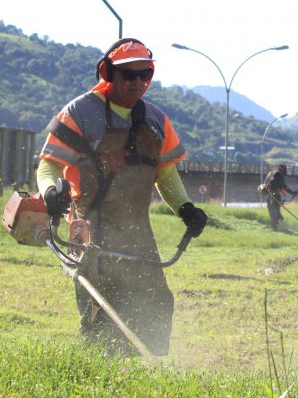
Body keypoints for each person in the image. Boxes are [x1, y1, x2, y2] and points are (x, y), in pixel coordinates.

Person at [37, 38, 207, 356]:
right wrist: (50, 191)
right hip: (91, 227)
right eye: (130, 75)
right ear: (109, 74)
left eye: (145, 74)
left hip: (137, 231)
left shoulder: (156, 120)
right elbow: (49, 165)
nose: (138, 82)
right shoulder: (80, 111)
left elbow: (166, 174)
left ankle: (141, 372)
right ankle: (99, 370)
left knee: (155, 303)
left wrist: (186, 208)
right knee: (101, 308)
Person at [262, 164, 298, 231]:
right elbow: (284, 187)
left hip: (268, 195)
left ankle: (274, 228)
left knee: (272, 213)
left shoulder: (270, 173)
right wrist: (293, 193)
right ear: (283, 170)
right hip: (275, 195)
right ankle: (275, 227)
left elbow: (265, 183)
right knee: (275, 213)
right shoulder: (279, 175)